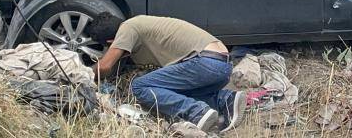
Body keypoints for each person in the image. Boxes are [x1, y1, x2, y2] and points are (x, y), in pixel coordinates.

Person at [87, 13, 246, 132]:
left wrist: (83, 74)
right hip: (223, 65)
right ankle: (225, 100)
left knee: (140, 86)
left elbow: (105, 66)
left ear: (110, 42)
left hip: (203, 62)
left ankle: (197, 112)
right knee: (168, 89)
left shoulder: (128, 27)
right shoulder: (142, 25)